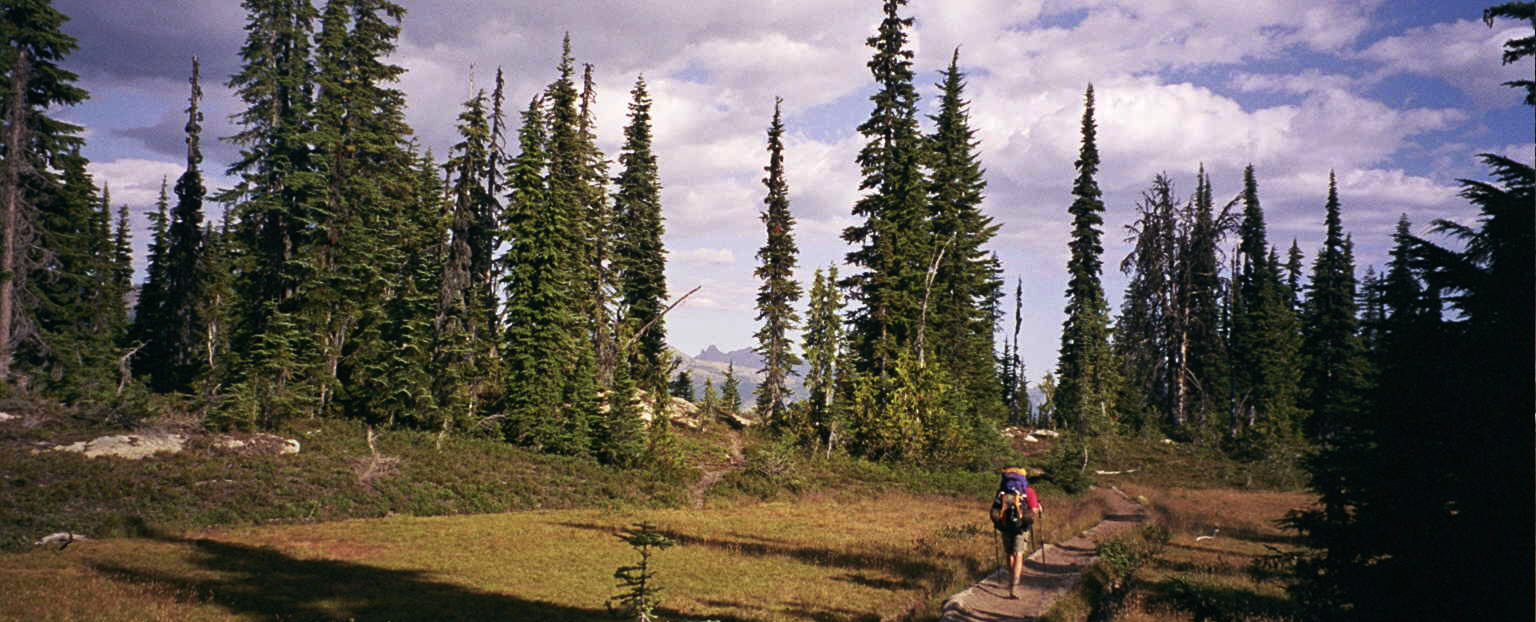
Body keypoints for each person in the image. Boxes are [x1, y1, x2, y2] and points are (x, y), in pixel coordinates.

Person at [991, 469, 1042, 599]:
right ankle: (1015, 585)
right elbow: (1034, 509)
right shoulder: (1028, 491)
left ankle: (1011, 579)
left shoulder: (1002, 491)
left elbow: (995, 508)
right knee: (1019, 554)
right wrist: (1038, 508)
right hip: (1022, 527)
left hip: (1005, 526)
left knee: (1009, 554)